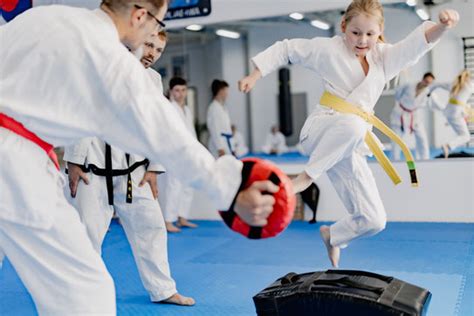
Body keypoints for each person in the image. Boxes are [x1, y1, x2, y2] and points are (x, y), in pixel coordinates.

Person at [0, 1, 277, 314]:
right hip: (16, 168)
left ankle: (162, 286)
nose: (154, 34)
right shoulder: (110, 59)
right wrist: (231, 191)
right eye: (156, 24)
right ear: (140, 15)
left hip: (45, 162)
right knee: (86, 293)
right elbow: (167, 136)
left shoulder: (44, 16)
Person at [239, 0, 459, 268]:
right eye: (355, 32)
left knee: (374, 219)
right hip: (322, 130)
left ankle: (333, 236)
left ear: (379, 32)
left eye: (369, 34)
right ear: (343, 26)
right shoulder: (328, 49)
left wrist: (443, 27)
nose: (362, 40)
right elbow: (287, 49)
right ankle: (303, 180)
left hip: (349, 144)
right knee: (354, 125)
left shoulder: (383, 57)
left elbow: (417, 43)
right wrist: (255, 74)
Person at [64, 31, 194, 306]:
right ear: (131, 39)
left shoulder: (153, 80)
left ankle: (163, 290)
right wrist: (74, 161)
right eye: (148, 45)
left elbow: (156, 126)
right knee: (85, 237)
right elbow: (79, 114)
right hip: (93, 172)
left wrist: (155, 167)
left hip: (135, 172)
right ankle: (79, 296)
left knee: (152, 229)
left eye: (158, 49)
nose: (152, 53)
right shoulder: (98, 69)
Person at [158, 77, 198, 233]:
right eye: (177, 90)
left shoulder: (186, 110)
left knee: (187, 186)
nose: (180, 94)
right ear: (171, 91)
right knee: (173, 186)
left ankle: (183, 217)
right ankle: (168, 220)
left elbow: (191, 133)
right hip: (174, 152)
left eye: (183, 90)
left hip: (188, 152)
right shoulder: (168, 108)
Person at [390, 72, 435, 160]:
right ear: (422, 79)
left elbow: (434, 104)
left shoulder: (427, 92)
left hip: (414, 115)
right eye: (426, 81)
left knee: (422, 138)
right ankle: (395, 160)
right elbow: (398, 93)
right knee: (397, 139)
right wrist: (401, 103)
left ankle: (425, 159)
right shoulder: (409, 85)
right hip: (400, 114)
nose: (427, 84)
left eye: (429, 83)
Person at [428, 69, 473, 157]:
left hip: (450, 112)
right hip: (455, 113)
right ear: (468, 78)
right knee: (466, 136)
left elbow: (437, 84)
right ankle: (448, 146)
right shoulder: (469, 86)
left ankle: (448, 145)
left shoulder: (453, 85)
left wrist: (429, 93)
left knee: (463, 131)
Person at [207, 79, 233, 157]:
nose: (227, 94)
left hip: (225, 142)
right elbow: (214, 129)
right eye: (226, 91)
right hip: (219, 145)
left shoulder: (222, 107)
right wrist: (220, 148)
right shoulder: (213, 108)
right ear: (220, 91)